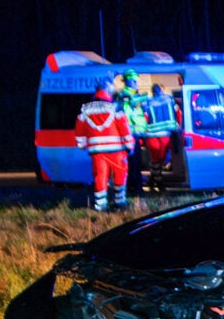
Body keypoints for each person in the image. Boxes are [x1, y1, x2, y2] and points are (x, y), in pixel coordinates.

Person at [75, 77, 134, 212]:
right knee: (120, 174)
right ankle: (120, 202)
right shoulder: (115, 108)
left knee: (100, 176)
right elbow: (124, 128)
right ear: (108, 91)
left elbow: (79, 132)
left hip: (97, 152)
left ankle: (100, 205)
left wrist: (82, 145)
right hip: (116, 150)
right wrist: (129, 145)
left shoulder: (85, 110)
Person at [143, 83, 182, 192]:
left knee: (156, 161)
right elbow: (178, 114)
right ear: (162, 90)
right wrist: (178, 127)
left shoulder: (146, 103)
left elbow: (144, 119)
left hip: (152, 135)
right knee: (160, 160)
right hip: (166, 134)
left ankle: (154, 180)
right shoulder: (170, 99)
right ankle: (158, 183)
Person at [116, 69, 149, 195]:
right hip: (129, 134)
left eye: (136, 80)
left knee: (136, 163)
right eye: (134, 80)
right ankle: (135, 189)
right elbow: (127, 112)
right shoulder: (124, 95)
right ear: (128, 80)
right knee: (133, 163)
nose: (136, 83)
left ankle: (134, 187)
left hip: (135, 134)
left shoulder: (135, 95)